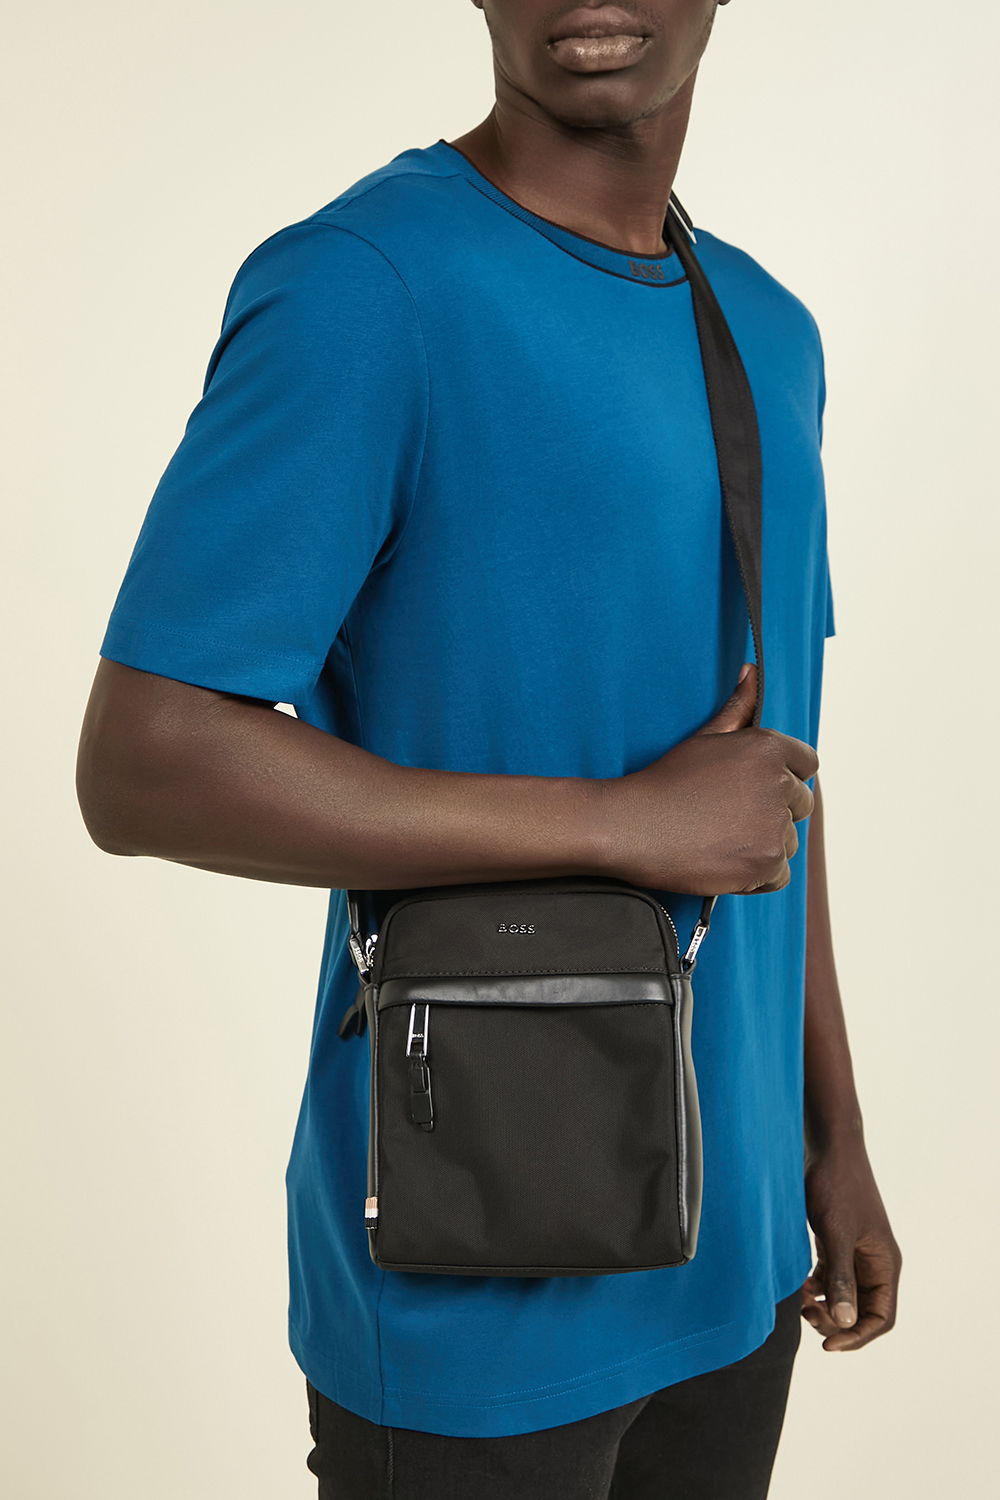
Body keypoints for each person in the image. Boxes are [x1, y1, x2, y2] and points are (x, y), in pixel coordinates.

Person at [77, 1, 902, 1495]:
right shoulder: (365, 285)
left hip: (733, 1253)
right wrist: (617, 822)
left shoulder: (771, 333)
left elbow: (771, 779)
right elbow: (145, 759)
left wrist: (831, 1138)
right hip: (477, 1261)